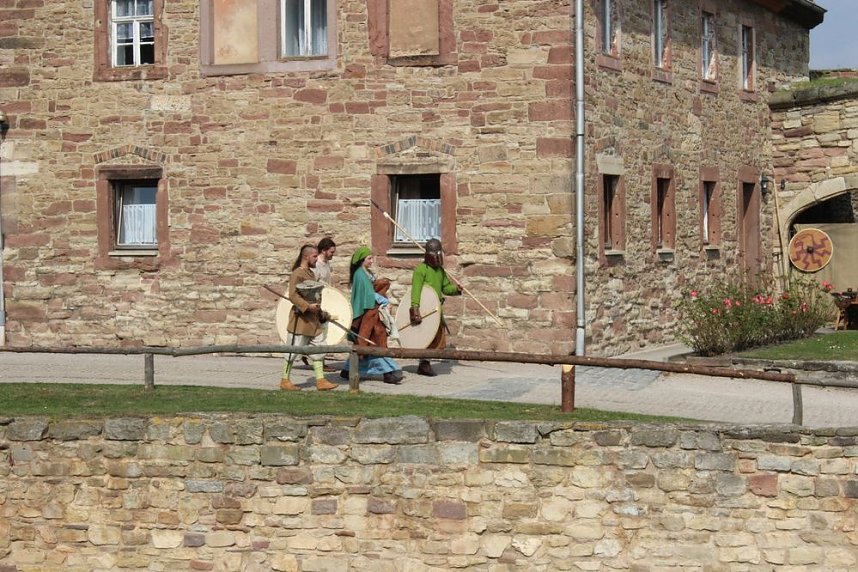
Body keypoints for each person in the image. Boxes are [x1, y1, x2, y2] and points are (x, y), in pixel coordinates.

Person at [340, 246, 404, 384]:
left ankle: (348, 370)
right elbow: (368, 295)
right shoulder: (360, 274)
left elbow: (372, 289)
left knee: (366, 344)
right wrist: (384, 301)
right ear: (362, 260)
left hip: (370, 312)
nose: (371, 261)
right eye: (369, 258)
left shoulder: (365, 273)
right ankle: (388, 373)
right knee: (375, 341)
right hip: (365, 314)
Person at [280, 244, 339, 391]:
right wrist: (307, 306)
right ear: (306, 256)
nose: (316, 259)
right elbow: (293, 295)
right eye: (314, 256)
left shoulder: (311, 274)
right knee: (293, 350)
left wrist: (320, 311)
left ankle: (320, 380)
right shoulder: (297, 273)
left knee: (319, 348)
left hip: (313, 320)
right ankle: (285, 380)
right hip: (300, 320)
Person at [409, 238, 461, 376]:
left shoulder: (440, 271)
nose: (438, 256)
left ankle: (424, 363)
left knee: (436, 338)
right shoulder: (420, 270)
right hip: (425, 309)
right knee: (427, 337)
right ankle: (424, 364)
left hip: (436, 309)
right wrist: (415, 309)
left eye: (439, 253)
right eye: (436, 253)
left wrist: (457, 289)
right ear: (429, 254)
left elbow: (445, 287)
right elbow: (416, 290)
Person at [306, 237, 337, 371]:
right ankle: (318, 362)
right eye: (331, 252)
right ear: (324, 251)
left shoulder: (326, 263)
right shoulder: (317, 265)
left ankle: (310, 355)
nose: (332, 255)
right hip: (318, 301)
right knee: (320, 332)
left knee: (323, 332)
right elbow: (313, 283)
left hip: (326, 300)